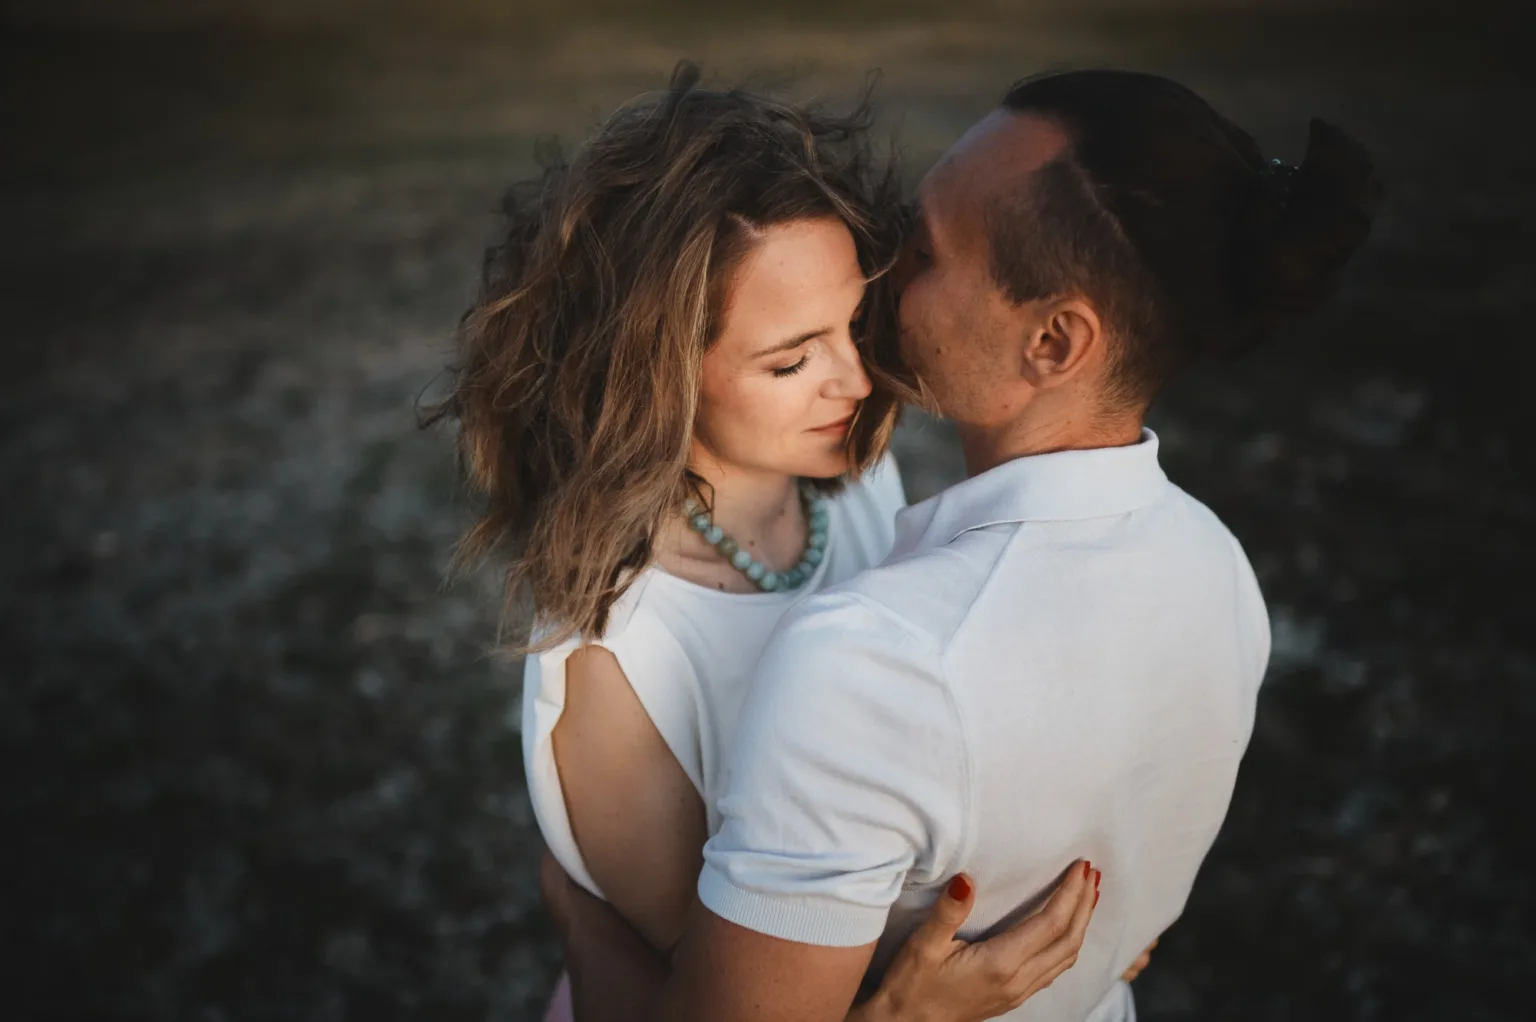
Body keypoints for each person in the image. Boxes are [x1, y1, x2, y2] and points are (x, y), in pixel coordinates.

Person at [645, 70, 1380, 1021]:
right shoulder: (1219, 567)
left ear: (1053, 343)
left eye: (927, 251)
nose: (883, 271)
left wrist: (580, 915)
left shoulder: (877, 660)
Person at [430, 64, 1111, 1021]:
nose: (856, 380)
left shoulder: (859, 474)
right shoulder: (618, 661)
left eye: (853, 324)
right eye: (791, 358)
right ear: (655, 377)